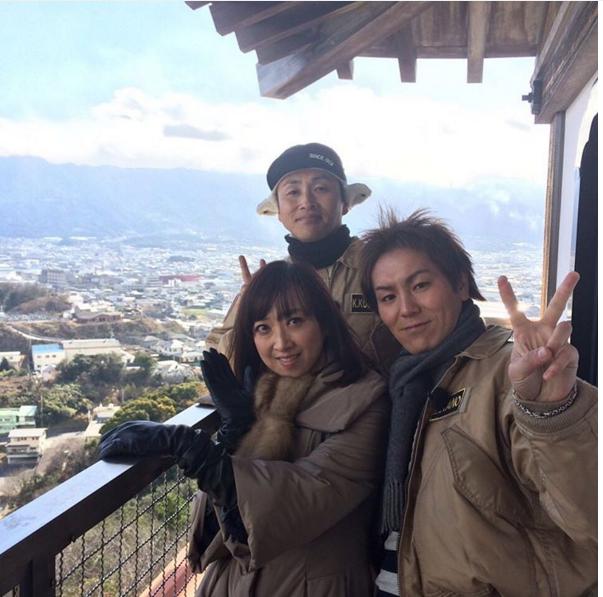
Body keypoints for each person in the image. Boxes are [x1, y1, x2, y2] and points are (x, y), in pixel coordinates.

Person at [99, 260, 389, 596]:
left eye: (294, 321)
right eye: (263, 328)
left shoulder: (366, 400)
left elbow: (303, 496)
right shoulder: (263, 394)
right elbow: (220, 528)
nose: (281, 342)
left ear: (324, 322)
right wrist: (234, 433)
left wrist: (193, 448)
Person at [359, 209, 597, 596]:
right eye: (388, 297)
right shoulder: (401, 384)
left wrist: (556, 413)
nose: (406, 308)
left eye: (420, 285)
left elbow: (590, 515)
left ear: (460, 284)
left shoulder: (512, 375)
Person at [205, 142, 400, 369]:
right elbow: (216, 358)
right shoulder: (272, 282)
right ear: (278, 211)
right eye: (293, 192)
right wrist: (248, 314)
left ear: (345, 203)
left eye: (321, 188)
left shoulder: (381, 268)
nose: (307, 202)